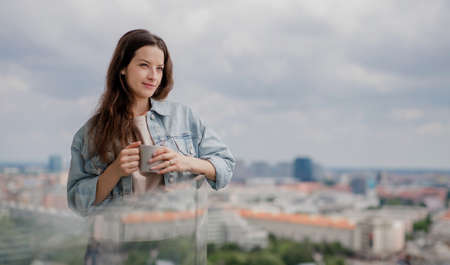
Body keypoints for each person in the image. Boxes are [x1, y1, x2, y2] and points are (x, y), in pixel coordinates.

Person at [67, 29, 235, 217]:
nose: (153, 76)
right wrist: (114, 172)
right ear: (122, 67)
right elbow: (76, 203)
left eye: (159, 68)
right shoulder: (91, 134)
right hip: (116, 242)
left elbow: (226, 167)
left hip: (175, 237)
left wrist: (185, 162)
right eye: (144, 65)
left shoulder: (183, 117)